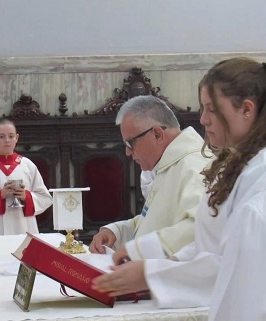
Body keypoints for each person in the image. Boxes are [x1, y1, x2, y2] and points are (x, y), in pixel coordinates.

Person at [92, 57, 266, 321]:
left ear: (246, 109)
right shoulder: (235, 165)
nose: (203, 119)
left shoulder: (254, 185)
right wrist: (160, 264)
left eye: (211, 109)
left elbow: (235, 270)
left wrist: (151, 273)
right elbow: (211, 243)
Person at [89, 95, 211, 260]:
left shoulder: (194, 166)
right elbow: (156, 220)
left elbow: (200, 228)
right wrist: (116, 232)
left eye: (130, 143)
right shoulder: (171, 163)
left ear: (157, 135)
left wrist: (139, 251)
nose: (127, 152)